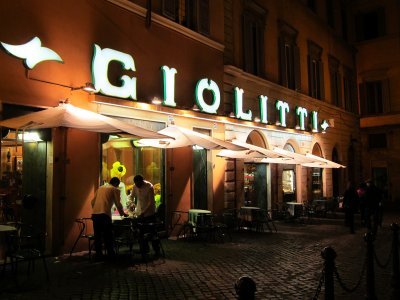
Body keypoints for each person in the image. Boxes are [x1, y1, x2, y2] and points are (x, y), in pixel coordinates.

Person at [91, 177, 128, 261]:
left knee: (98, 236)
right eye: (118, 185)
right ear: (116, 184)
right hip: (104, 215)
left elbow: (92, 202)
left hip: (95, 214)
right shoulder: (114, 189)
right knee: (108, 235)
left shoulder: (100, 188)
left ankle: (98, 255)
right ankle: (110, 255)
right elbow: (118, 204)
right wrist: (123, 214)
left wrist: (96, 209)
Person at [131, 174, 160, 257]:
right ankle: (144, 249)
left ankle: (156, 250)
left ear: (142, 181)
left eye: (139, 184)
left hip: (149, 213)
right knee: (141, 232)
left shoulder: (149, 186)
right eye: (136, 184)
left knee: (152, 232)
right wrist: (132, 203)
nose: (137, 186)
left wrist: (144, 212)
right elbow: (131, 196)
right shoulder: (134, 186)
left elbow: (151, 202)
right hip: (140, 212)